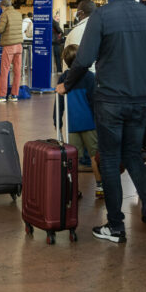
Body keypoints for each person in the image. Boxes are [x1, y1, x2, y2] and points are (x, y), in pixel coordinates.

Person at [57, 0, 146, 247]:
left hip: (109, 100)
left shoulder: (103, 16)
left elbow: (83, 60)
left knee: (109, 160)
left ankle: (116, 226)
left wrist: (66, 84)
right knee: (134, 157)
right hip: (140, 101)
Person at [58, 45, 103, 197]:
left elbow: (59, 102)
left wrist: (56, 120)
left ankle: (72, 188)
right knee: (94, 156)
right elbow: (94, 101)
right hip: (89, 123)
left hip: (72, 124)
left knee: (72, 158)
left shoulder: (64, 78)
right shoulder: (89, 77)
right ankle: (100, 186)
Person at [0, 0, 24, 101]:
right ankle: (14, 95)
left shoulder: (5, 14)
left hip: (9, 46)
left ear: (3, 6)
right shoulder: (18, 14)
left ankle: (2, 95)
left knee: (5, 71)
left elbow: (1, 29)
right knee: (17, 71)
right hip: (19, 46)